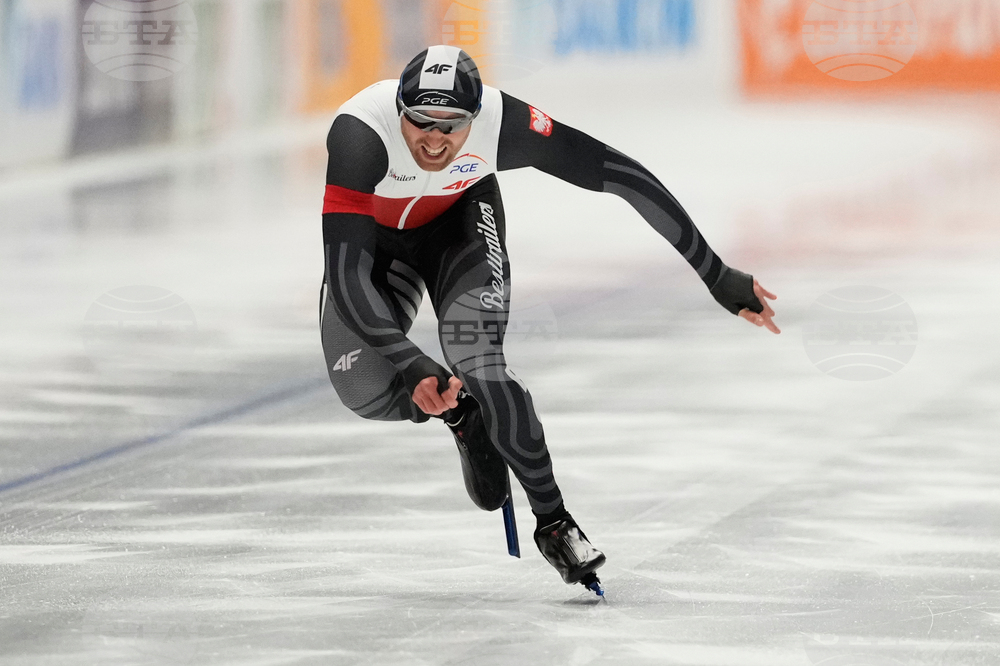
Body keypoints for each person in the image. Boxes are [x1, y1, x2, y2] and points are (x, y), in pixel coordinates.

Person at [320, 45, 780, 594]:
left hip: (458, 230)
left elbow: (619, 174)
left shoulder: (505, 123)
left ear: (477, 118)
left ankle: (556, 524)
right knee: (365, 391)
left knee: (481, 364)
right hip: (375, 250)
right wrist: (410, 361)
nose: (435, 140)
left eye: (453, 126)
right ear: (398, 108)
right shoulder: (358, 135)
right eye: (420, 121)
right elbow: (347, 273)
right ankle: (464, 417)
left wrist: (714, 272)